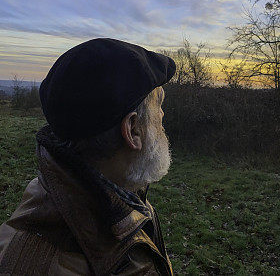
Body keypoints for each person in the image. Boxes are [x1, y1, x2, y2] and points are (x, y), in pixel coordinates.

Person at [0, 38, 176, 275]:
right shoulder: (35, 265)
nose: (162, 114)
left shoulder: (121, 194)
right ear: (133, 129)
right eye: (159, 105)